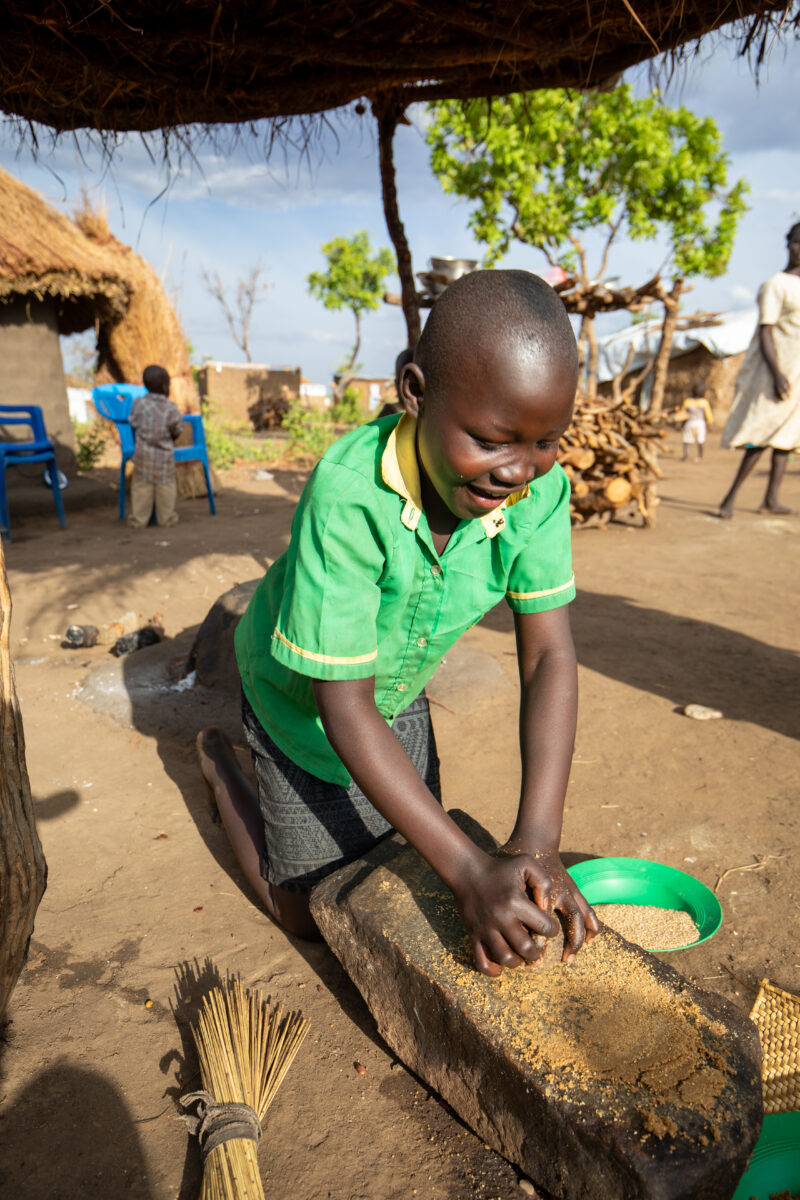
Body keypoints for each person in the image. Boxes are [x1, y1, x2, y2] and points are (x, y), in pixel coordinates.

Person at [198, 269, 599, 977]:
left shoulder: (540, 496)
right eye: (490, 439)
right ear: (415, 393)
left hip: (393, 684)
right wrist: (473, 876)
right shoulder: (350, 495)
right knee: (312, 914)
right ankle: (221, 765)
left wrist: (537, 840)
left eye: (545, 442)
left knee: (400, 867)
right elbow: (340, 703)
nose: (518, 471)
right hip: (302, 701)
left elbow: (549, 659)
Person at [718, 223, 800, 517]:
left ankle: (770, 499)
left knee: (785, 441)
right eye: (796, 242)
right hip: (777, 373)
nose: (799, 249)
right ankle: (729, 498)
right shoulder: (776, 285)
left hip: (797, 374)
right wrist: (777, 374)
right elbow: (766, 331)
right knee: (761, 436)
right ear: (787, 243)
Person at [128, 364, 184, 528]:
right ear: (166, 386)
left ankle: (139, 520)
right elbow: (178, 428)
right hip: (164, 457)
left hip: (142, 456)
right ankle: (166, 519)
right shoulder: (171, 408)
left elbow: (132, 421)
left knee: (141, 488)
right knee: (165, 488)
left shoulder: (139, 404)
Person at [676, 382, 714, 462]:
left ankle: (686, 456)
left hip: (689, 423)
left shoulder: (687, 401)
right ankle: (700, 456)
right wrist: (710, 424)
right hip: (700, 424)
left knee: (687, 440)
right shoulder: (704, 402)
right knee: (700, 440)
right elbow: (708, 415)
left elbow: (683, 414)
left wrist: (679, 423)